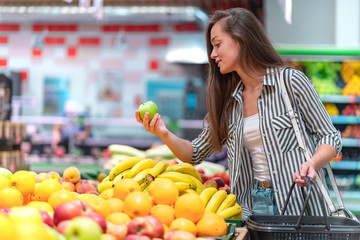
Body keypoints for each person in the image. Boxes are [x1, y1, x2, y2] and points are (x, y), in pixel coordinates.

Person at [135, 8, 341, 219]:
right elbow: (194, 153)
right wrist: (163, 133)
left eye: (217, 45)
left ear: (240, 40)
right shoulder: (230, 103)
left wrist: (312, 163)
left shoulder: (289, 82)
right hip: (253, 207)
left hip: (300, 202)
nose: (213, 55)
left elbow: (330, 136)